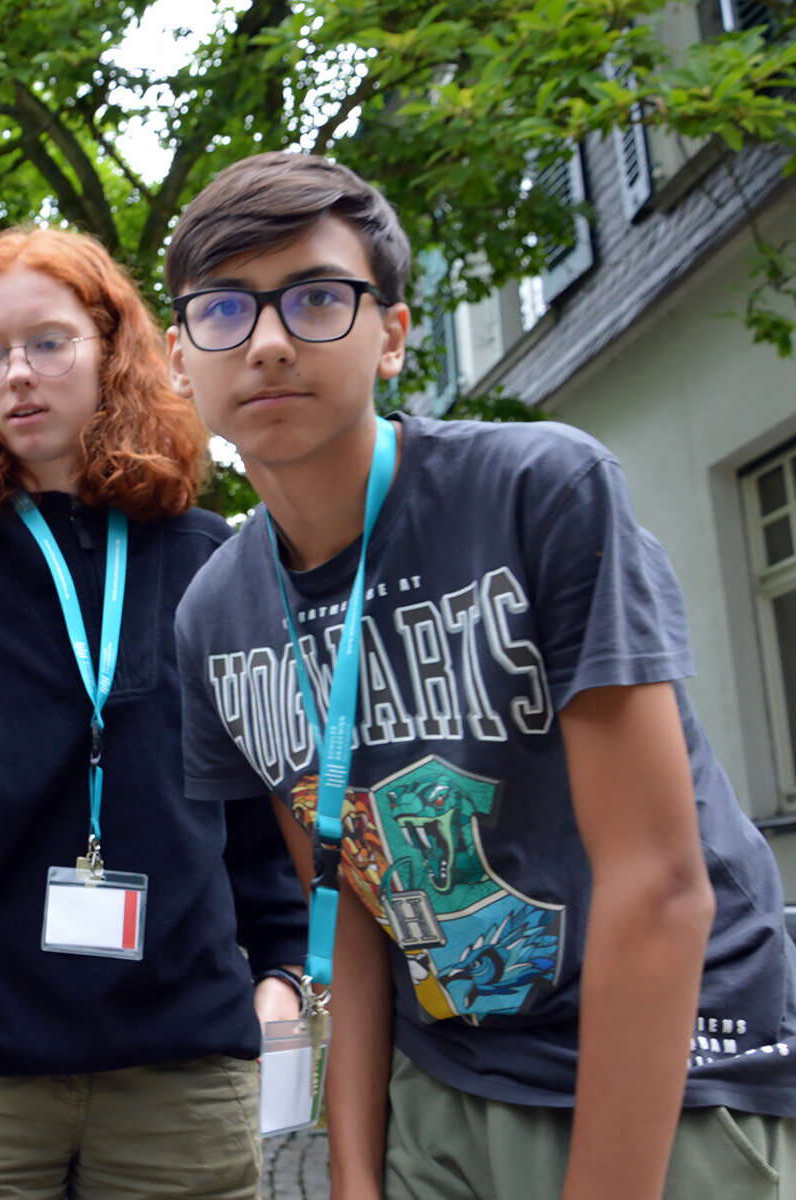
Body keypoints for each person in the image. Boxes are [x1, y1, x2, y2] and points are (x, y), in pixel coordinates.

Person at [167, 151, 796, 1200]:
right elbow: (351, 905)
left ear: (395, 336)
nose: (269, 340)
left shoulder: (539, 489)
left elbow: (662, 885)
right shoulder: (216, 615)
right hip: (449, 1084)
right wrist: (356, 1177)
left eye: (318, 298)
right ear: (182, 356)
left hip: (677, 1066)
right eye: (224, 309)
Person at [0, 226, 308, 1200]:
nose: (18, 374)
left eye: (48, 342)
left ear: (111, 350)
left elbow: (270, 812)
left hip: (183, 1067)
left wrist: (285, 972)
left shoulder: (217, 560)